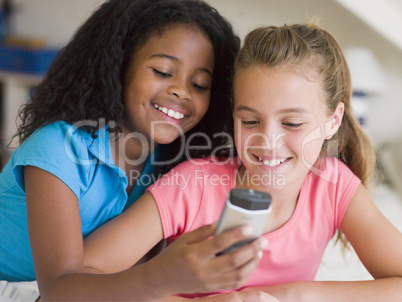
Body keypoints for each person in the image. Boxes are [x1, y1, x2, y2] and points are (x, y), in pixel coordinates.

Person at [83, 22, 402, 301]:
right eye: (250, 121)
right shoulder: (194, 186)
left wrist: (295, 294)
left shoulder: (333, 185)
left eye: (291, 124)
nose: (268, 142)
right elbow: (80, 279)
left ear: (333, 121)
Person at [0, 0, 270, 300]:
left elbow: (129, 278)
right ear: (119, 64)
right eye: (162, 71)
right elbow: (59, 291)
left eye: (199, 84)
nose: (181, 91)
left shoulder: (168, 164)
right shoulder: (59, 148)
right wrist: (163, 275)